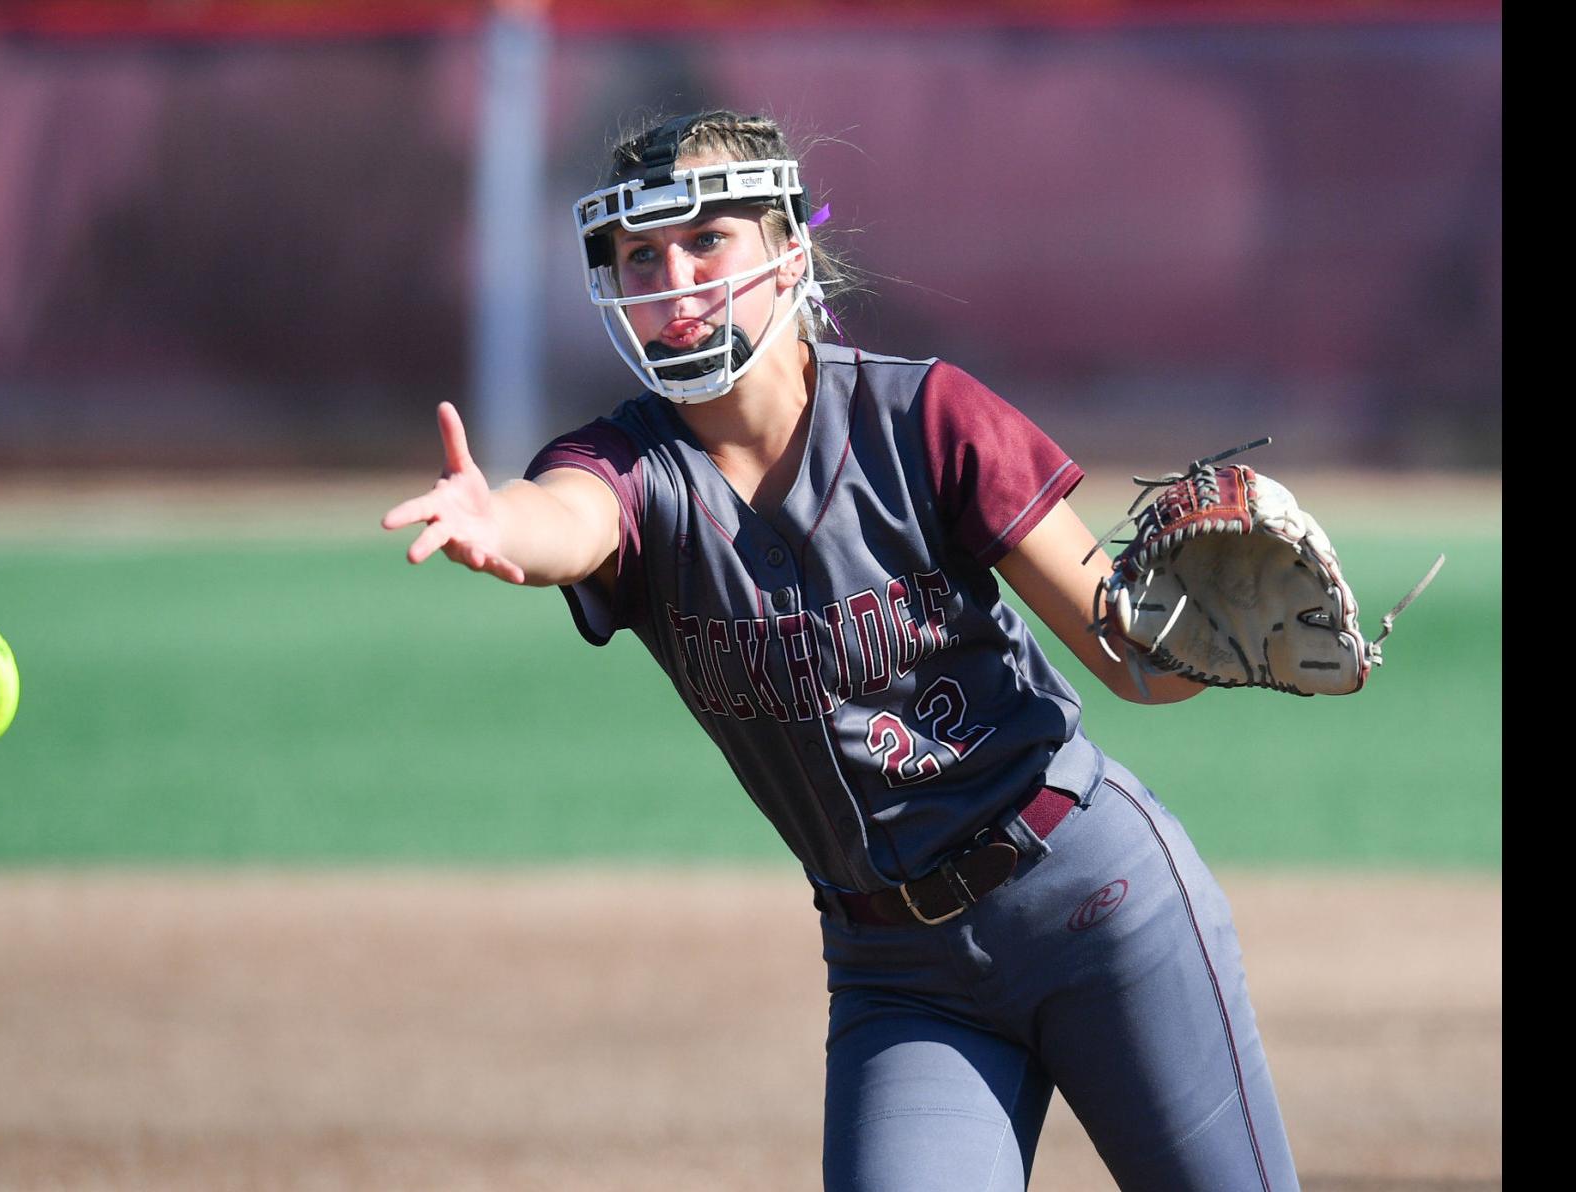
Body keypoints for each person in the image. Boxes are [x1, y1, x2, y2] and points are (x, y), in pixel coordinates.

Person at [383, 110, 1299, 1191]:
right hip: (896, 973)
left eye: (705, 238)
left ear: (787, 248)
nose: (672, 279)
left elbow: (1131, 660)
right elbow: (568, 516)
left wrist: (1223, 632)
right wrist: (506, 527)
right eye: (640, 254)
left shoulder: (925, 416)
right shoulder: (627, 462)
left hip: (1094, 905)